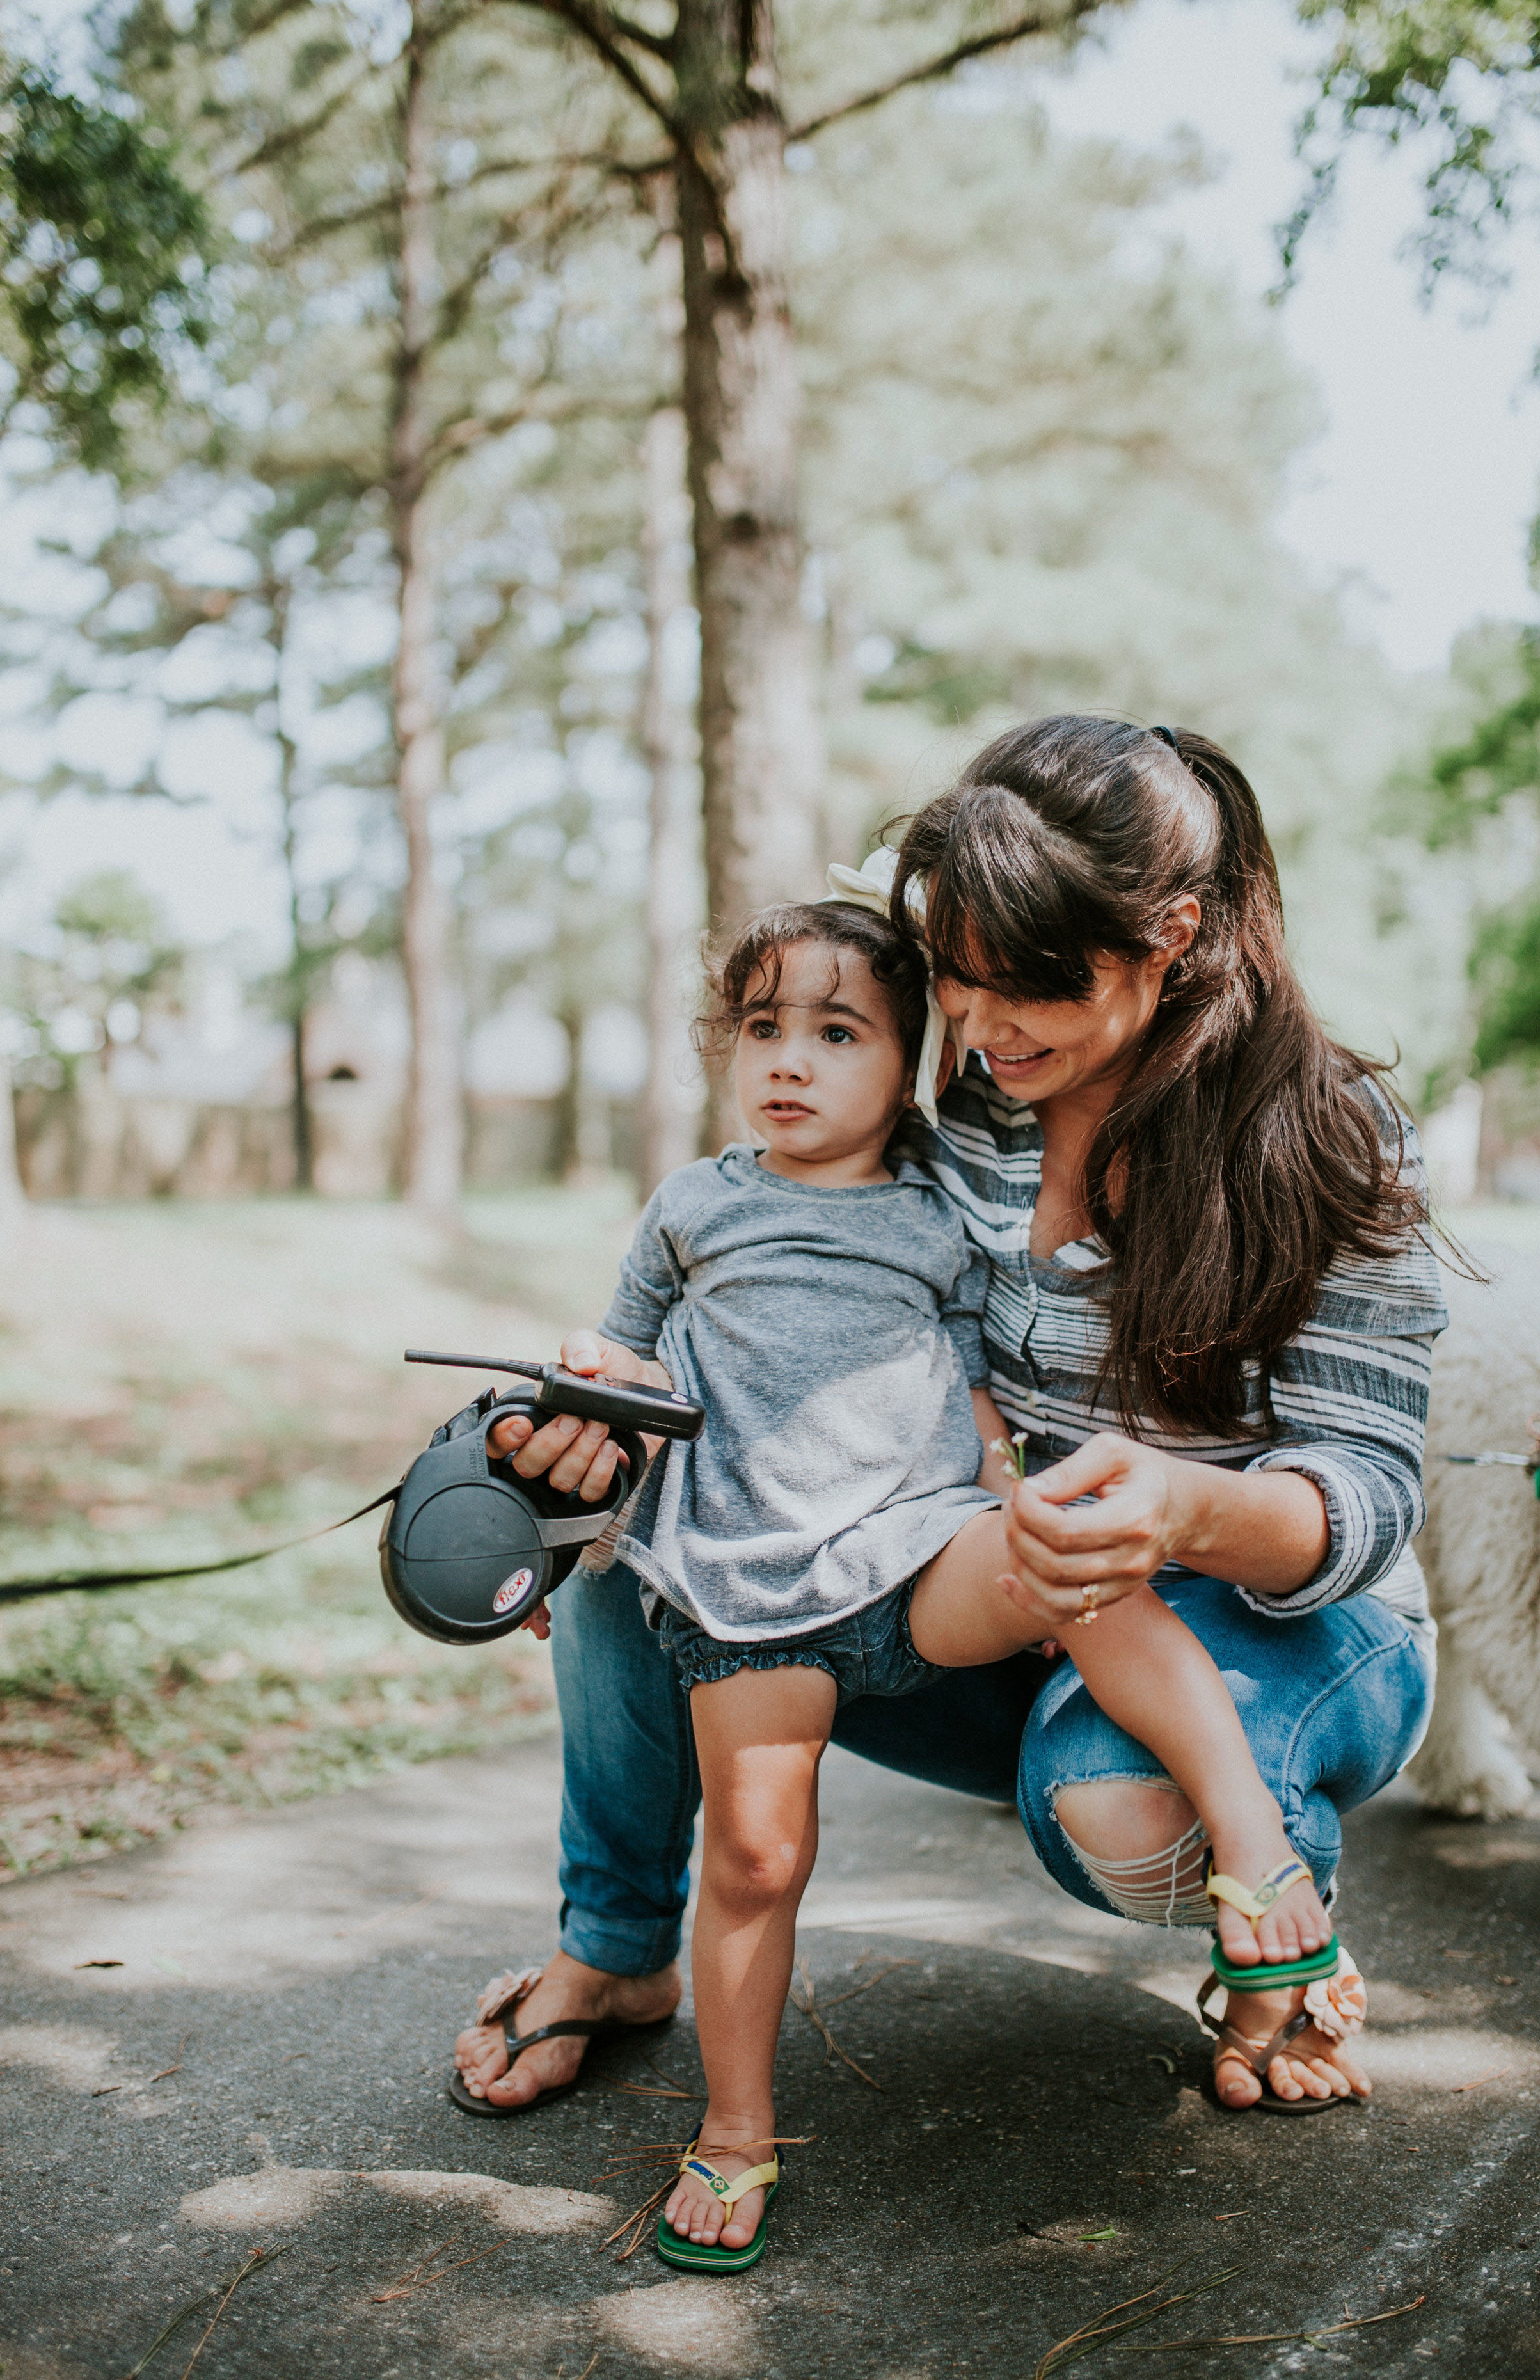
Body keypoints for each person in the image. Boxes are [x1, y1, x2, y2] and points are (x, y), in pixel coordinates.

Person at [453, 715, 1440, 2166]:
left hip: (1274, 1619)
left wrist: (1180, 1509)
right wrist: (587, 1439)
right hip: (1013, 1581)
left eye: (1025, 987)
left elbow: (1364, 1496)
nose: (979, 1030)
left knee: (1106, 1807)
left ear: (1167, 935)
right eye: (957, 984)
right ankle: (615, 1946)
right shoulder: (955, 1122)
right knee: (643, 1555)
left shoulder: (1328, 1136)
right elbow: (797, 1321)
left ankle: (1272, 1890)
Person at [555, 898, 1332, 2269]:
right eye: (762, 1027)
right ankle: (735, 2134)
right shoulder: (693, 1205)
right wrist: (578, 1396)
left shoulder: (938, 1210)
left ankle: (1253, 1846)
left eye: (836, 1031)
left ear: (913, 1059)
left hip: (911, 1552)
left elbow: (977, 1386)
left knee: (1075, 1548)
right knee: (754, 1860)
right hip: (749, 1585)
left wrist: (1004, 1486)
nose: (787, 1061)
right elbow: (619, 1359)